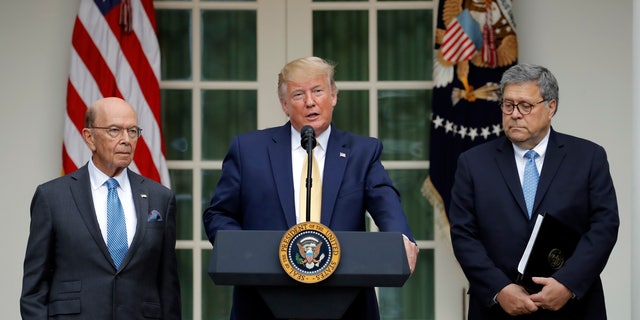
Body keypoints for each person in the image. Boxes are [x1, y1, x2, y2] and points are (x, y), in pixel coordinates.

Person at [203, 56, 419, 319]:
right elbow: (219, 214)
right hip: (261, 303)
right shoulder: (249, 150)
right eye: (298, 94)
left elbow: (386, 202)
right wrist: (242, 250)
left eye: (318, 91)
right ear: (284, 104)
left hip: (346, 304)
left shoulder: (362, 152)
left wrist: (402, 239)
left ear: (334, 96)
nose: (310, 102)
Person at [447, 63, 619, 319]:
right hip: (498, 309)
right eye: (508, 105)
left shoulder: (588, 157)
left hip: (573, 307)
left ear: (551, 108)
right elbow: (463, 235)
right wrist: (500, 289)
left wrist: (567, 283)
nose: (515, 114)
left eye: (525, 106)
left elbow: (604, 226)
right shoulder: (473, 163)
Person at [20, 97, 181, 319]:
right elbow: (34, 290)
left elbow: (168, 287)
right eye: (115, 130)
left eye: (132, 131)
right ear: (89, 137)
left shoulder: (160, 198)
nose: (126, 140)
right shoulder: (51, 197)